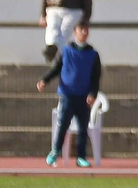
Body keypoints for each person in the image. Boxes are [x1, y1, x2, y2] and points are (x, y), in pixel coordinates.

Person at [38, 23, 102, 169]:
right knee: (63, 124)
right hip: (67, 95)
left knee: (82, 128)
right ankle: (55, 151)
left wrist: (93, 94)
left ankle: (81, 157)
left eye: (86, 30)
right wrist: (44, 80)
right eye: (81, 29)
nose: (84, 32)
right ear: (75, 32)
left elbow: (95, 77)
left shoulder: (93, 54)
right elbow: (55, 69)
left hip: (83, 97)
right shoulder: (66, 51)